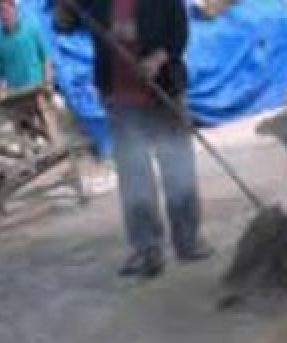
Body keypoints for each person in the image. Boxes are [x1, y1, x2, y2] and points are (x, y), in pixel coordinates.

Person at [56, 0, 212, 281]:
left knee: (178, 167)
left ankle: (188, 240)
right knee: (134, 178)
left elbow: (178, 33)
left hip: (162, 90)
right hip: (120, 99)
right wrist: (63, 9)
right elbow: (65, 24)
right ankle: (147, 249)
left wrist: (157, 59)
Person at [0, 0, 53, 93]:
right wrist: (0, 92)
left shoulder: (31, 28)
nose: (3, 15)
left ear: (14, 8)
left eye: (5, 10)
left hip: (38, 88)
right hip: (17, 94)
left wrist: (48, 83)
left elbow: (46, 58)